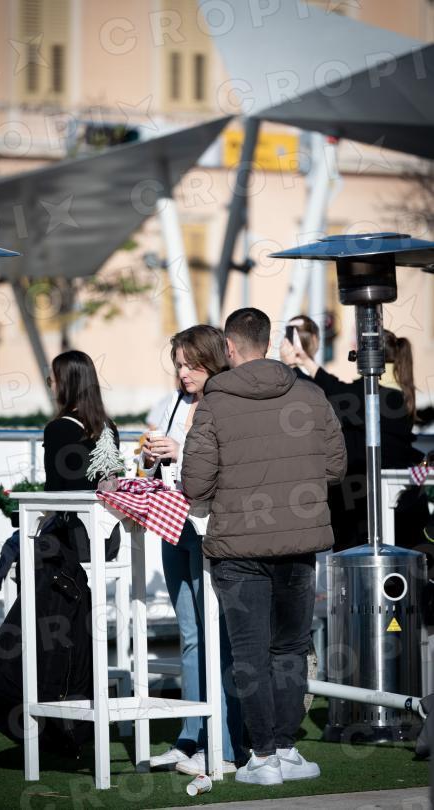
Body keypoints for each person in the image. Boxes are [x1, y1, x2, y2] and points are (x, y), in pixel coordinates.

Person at [182, 307, 347, 786]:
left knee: (250, 654)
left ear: (229, 347)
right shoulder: (311, 394)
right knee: (290, 649)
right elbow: (335, 466)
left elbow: (195, 483)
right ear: (269, 342)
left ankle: (263, 757)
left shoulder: (214, 402)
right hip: (298, 543)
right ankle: (286, 749)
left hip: (238, 549)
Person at [142, 325, 245, 775]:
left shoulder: (228, 403)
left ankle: (224, 744)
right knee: (189, 634)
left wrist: (180, 450)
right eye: (179, 365)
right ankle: (190, 738)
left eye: (191, 364)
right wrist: (149, 458)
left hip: (213, 529)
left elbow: (227, 466)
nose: (184, 373)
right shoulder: (172, 404)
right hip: (174, 525)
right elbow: (151, 466)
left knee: (216, 636)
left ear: (212, 360)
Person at [280, 321, 427, 551]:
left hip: (365, 508)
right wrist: (304, 361)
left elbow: (333, 394)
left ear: (369, 358)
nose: (353, 355)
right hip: (387, 505)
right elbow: (337, 390)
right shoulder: (395, 392)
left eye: (356, 351)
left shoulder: (378, 396)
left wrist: (293, 366)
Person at [0, 349, 120, 591]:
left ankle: (25, 612)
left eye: (52, 380)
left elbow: (54, 492)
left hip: (75, 540)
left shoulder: (58, 429)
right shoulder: (108, 426)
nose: (51, 386)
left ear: (66, 385)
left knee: (20, 546)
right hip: (109, 540)